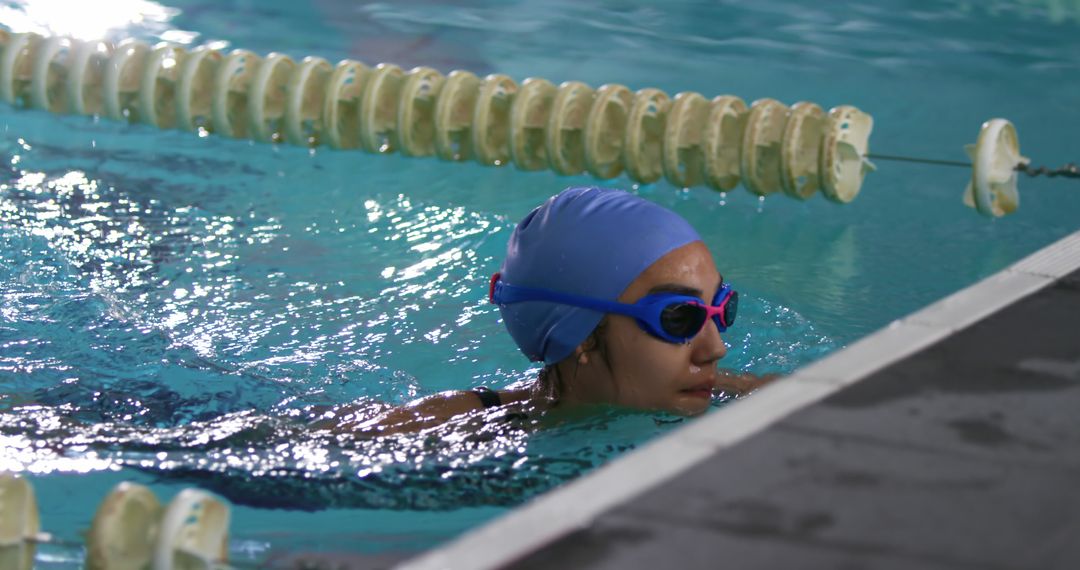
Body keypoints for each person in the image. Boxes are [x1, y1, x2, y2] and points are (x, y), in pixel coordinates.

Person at [316, 186, 774, 435]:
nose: (715, 350)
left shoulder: (741, 398)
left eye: (720, 310)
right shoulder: (454, 433)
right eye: (679, 318)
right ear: (584, 336)